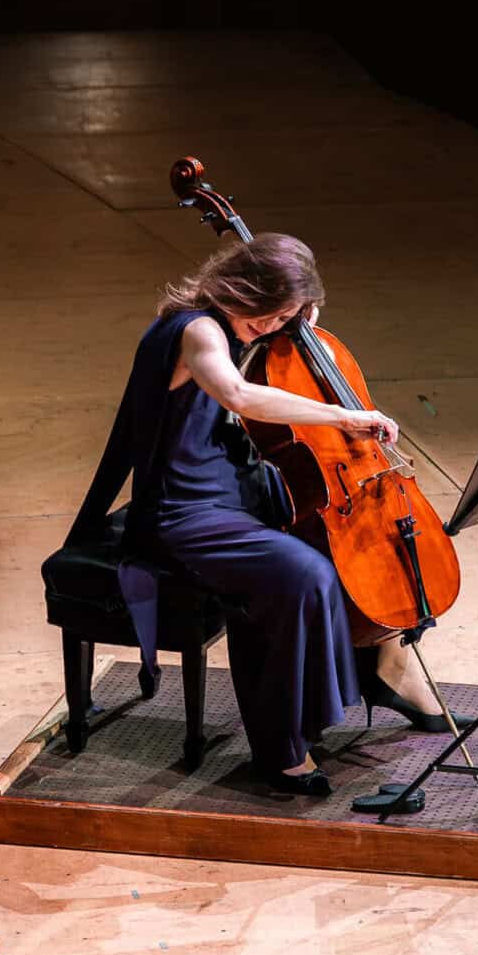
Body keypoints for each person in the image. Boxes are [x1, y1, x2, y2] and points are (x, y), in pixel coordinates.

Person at [119, 233, 447, 798]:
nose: (273, 326)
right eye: (270, 313)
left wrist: (299, 311)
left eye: (286, 317)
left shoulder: (228, 321)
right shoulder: (198, 331)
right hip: (181, 513)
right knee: (304, 574)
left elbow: (282, 324)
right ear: (242, 289)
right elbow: (240, 397)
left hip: (223, 498)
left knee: (341, 556)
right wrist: (342, 416)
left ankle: (364, 682)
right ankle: (284, 748)